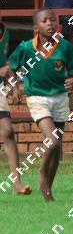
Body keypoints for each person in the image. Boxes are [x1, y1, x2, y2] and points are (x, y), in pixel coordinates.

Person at [8, 9, 73, 201]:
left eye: (53, 20)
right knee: (53, 140)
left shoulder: (64, 46)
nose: (50, 23)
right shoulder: (26, 47)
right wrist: (15, 88)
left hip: (60, 98)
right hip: (37, 98)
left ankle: (48, 190)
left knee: (57, 148)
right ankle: (42, 173)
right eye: (45, 21)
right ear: (36, 27)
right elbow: (12, 67)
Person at [0, 17, 32, 195]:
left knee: (8, 131)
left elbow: (5, 63)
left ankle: (17, 184)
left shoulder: (4, 31)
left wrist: (13, 86)